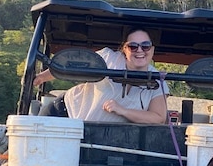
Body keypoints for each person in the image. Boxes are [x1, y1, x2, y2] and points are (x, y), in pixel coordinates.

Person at [33, 28, 168, 124]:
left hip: (99, 134)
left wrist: (123, 111)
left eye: (145, 46)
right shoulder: (108, 58)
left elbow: (158, 117)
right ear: (124, 49)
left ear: (153, 49)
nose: (139, 50)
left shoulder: (158, 81)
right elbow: (71, 66)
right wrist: (40, 78)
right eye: (133, 46)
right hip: (63, 114)